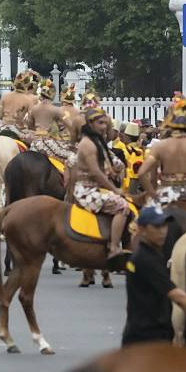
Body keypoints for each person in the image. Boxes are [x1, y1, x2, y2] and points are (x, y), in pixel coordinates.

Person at [122, 206, 186, 346]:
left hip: (141, 333)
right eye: (156, 226)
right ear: (142, 229)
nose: (163, 231)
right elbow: (178, 296)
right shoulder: (146, 260)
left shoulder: (146, 255)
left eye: (164, 225)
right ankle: (114, 245)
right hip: (149, 338)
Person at [71, 107, 131, 264]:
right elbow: (96, 173)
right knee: (122, 206)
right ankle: (114, 246)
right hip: (86, 190)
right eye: (100, 123)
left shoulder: (95, 141)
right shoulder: (88, 144)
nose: (104, 127)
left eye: (106, 123)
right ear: (90, 123)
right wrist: (115, 189)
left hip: (93, 187)